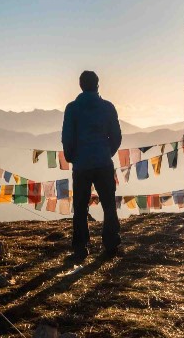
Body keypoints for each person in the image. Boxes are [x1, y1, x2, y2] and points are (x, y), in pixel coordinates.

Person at [61, 70, 122, 261]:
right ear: (98, 85)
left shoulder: (72, 108)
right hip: (103, 163)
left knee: (80, 207)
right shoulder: (108, 107)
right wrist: (107, 152)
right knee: (109, 205)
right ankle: (111, 243)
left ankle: (81, 246)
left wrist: (73, 158)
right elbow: (117, 136)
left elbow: (67, 138)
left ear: (81, 85)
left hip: (81, 166)